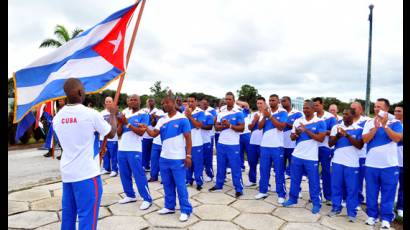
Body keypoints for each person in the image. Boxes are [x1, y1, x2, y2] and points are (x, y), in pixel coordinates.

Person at [53, 78, 117, 230]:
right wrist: (113, 114)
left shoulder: (57, 118)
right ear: (80, 92)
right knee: (87, 218)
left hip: (68, 174)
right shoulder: (90, 114)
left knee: (68, 217)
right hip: (87, 175)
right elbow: (112, 133)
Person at [145, 95, 193, 222]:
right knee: (167, 184)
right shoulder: (162, 120)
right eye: (163, 103)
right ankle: (169, 206)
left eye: (166, 103)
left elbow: (188, 139)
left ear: (173, 103)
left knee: (180, 185)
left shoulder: (183, 119)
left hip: (178, 158)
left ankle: (185, 210)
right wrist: (146, 128)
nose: (164, 105)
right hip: (164, 157)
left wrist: (188, 155)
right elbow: (154, 133)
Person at [362, 98, 402, 228]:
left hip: (389, 166)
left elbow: (397, 138)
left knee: (388, 193)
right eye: (375, 106)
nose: (376, 109)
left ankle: (386, 219)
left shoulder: (395, 122)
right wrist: (375, 127)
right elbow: (365, 139)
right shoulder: (369, 122)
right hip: (371, 165)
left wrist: (384, 125)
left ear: (386, 109)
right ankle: (372, 216)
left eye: (379, 107)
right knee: (371, 192)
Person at [282, 100, 326, 214]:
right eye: (304, 108)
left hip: (311, 157)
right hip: (297, 155)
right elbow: (292, 137)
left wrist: (306, 130)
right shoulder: (298, 121)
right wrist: (296, 134)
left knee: (314, 181)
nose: (305, 110)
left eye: (307, 108)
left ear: (313, 109)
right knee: (295, 179)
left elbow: (321, 139)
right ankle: (292, 199)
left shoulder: (320, 121)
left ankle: (316, 203)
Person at [116, 94, 152, 210]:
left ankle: (147, 199)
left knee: (138, 174)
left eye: (135, 100)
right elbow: (118, 133)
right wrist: (121, 123)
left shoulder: (144, 114)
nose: (132, 101)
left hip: (134, 149)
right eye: (130, 100)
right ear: (127, 101)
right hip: (122, 149)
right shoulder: (124, 112)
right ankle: (130, 195)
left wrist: (127, 123)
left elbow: (141, 132)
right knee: (124, 174)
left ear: (139, 102)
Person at [328, 108, 364, 222]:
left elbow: (359, 145)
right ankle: (336, 208)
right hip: (337, 162)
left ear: (353, 116)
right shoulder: (336, 127)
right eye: (343, 114)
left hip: (352, 164)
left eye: (346, 114)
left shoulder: (359, 129)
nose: (344, 116)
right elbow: (330, 144)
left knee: (352, 189)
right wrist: (338, 136)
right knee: (336, 186)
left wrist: (347, 135)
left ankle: (351, 213)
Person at [209, 92, 244, 198]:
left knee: (235, 167)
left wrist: (229, 125)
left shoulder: (238, 112)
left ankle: (238, 188)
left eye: (230, 99)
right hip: (221, 143)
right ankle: (219, 185)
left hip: (233, 144)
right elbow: (217, 127)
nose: (227, 101)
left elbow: (241, 128)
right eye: (226, 99)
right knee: (221, 165)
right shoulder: (221, 112)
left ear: (234, 100)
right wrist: (223, 125)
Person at [254, 94, 288, 204]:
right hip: (264, 146)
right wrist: (265, 116)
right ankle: (263, 191)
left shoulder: (283, 112)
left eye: (273, 100)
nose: (271, 102)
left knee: (279, 171)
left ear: (278, 101)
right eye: (270, 100)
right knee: (264, 169)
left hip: (277, 146)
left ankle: (281, 194)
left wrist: (270, 116)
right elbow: (259, 127)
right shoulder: (265, 112)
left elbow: (281, 127)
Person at [313, 97, 337, 204]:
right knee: (313, 172)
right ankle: (315, 195)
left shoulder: (330, 117)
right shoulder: (312, 116)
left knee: (326, 172)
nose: (315, 107)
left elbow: (334, 132)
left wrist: (321, 131)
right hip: (313, 147)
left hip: (326, 147)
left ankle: (328, 196)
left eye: (317, 105)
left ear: (322, 105)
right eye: (314, 105)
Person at [185, 94, 206, 190]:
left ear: (196, 102)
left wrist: (190, 117)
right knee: (187, 163)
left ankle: (199, 182)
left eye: (192, 101)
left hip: (197, 143)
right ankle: (188, 180)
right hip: (186, 143)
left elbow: (198, 125)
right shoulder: (184, 112)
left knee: (198, 164)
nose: (190, 103)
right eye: (188, 101)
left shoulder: (200, 112)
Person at [350, 101, 369, 207]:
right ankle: (347, 198)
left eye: (355, 108)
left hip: (361, 155)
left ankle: (357, 200)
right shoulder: (346, 121)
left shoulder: (367, 121)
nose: (352, 110)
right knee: (348, 179)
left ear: (361, 110)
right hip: (348, 155)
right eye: (351, 108)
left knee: (358, 180)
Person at [281, 96, 303, 179]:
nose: (283, 103)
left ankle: (292, 176)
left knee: (293, 164)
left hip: (292, 143)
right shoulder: (280, 112)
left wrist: (285, 123)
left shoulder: (298, 113)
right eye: (282, 101)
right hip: (281, 143)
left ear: (289, 102)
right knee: (281, 164)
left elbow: (298, 128)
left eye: (284, 101)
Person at [245, 97, 265, 187]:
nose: (259, 105)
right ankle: (252, 180)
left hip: (263, 143)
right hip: (253, 141)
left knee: (264, 164)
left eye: (261, 103)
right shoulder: (254, 114)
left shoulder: (268, 114)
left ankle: (265, 182)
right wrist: (255, 120)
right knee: (252, 162)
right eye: (258, 103)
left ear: (264, 104)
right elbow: (249, 127)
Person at [100, 97, 119, 177]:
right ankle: (106, 168)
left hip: (113, 137)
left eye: (110, 101)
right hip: (103, 137)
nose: (108, 103)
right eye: (106, 101)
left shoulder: (116, 112)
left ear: (113, 103)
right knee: (105, 154)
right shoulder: (101, 113)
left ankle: (114, 170)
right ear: (105, 103)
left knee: (113, 154)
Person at [141, 98, 161, 172]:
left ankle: (156, 168)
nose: (150, 103)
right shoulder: (143, 111)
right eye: (148, 101)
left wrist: (153, 118)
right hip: (145, 135)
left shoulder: (158, 111)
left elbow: (154, 124)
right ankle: (145, 166)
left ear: (154, 102)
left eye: (151, 101)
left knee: (154, 154)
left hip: (154, 135)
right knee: (144, 152)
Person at [148, 104, 165, 182]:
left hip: (164, 142)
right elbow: (153, 124)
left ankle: (163, 178)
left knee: (163, 162)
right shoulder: (158, 112)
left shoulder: (170, 115)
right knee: (154, 160)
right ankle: (153, 176)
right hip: (156, 142)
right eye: (163, 104)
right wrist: (154, 118)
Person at [200, 99, 216, 182]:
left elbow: (209, 127)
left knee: (208, 158)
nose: (203, 105)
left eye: (205, 104)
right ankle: (199, 174)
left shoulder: (209, 115)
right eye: (202, 104)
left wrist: (198, 125)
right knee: (199, 158)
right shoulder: (197, 114)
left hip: (207, 140)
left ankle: (210, 174)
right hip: (198, 141)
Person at [237, 100, 252, 172]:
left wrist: (237, 102)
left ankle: (251, 166)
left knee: (249, 152)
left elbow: (246, 104)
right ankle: (241, 166)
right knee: (240, 152)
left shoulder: (245, 110)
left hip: (247, 134)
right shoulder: (235, 111)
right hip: (238, 134)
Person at [394, 103, 403, 218]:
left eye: (399, 111)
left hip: (402, 162)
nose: (396, 113)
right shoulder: (391, 124)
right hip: (392, 162)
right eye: (395, 111)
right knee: (390, 186)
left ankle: (400, 207)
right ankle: (389, 207)